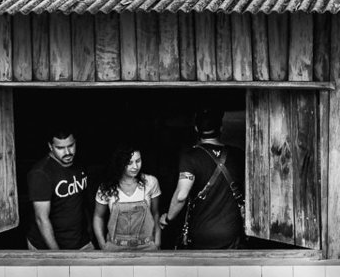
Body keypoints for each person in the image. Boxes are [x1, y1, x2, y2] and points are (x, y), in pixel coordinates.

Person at [159, 107, 245, 249]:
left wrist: (168, 218)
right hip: (231, 232)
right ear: (221, 128)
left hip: (201, 234)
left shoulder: (190, 157)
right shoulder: (238, 154)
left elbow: (181, 196)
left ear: (196, 128)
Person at [26, 125, 91, 250]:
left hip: (80, 241)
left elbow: (83, 203)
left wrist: (89, 234)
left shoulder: (79, 164)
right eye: (60, 148)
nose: (67, 152)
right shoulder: (40, 173)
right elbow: (41, 219)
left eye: (71, 146)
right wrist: (57, 255)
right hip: (48, 246)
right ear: (50, 146)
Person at [92, 145, 161, 251]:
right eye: (129, 163)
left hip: (146, 246)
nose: (135, 166)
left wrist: (157, 242)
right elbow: (98, 216)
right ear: (120, 163)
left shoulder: (151, 182)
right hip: (115, 247)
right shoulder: (106, 187)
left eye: (138, 161)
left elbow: (155, 214)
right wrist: (103, 245)